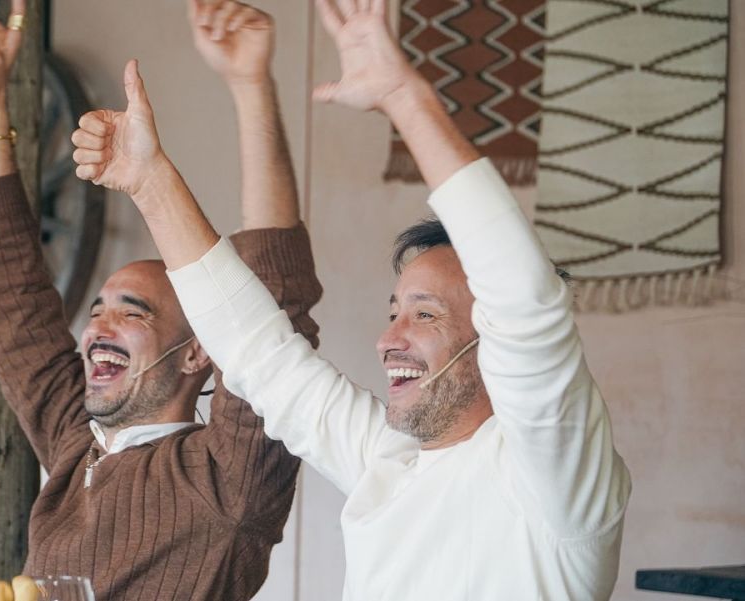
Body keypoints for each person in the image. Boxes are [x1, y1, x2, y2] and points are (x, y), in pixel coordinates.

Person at [71, 0, 633, 599]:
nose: (388, 340)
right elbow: (258, 355)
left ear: (493, 336)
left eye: (424, 313)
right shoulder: (387, 460)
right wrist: (149, 181)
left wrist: (404, 99)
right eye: (394, 313)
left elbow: (525, 298)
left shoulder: (554, 474)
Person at [0, 1, 321, 600]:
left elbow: (275, 304)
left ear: (196, 353)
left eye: (132, 311)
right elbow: (7, 294)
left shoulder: (228, 475)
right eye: (98, 309)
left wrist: (251, 84)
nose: (99, 326)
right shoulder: (78, 441)